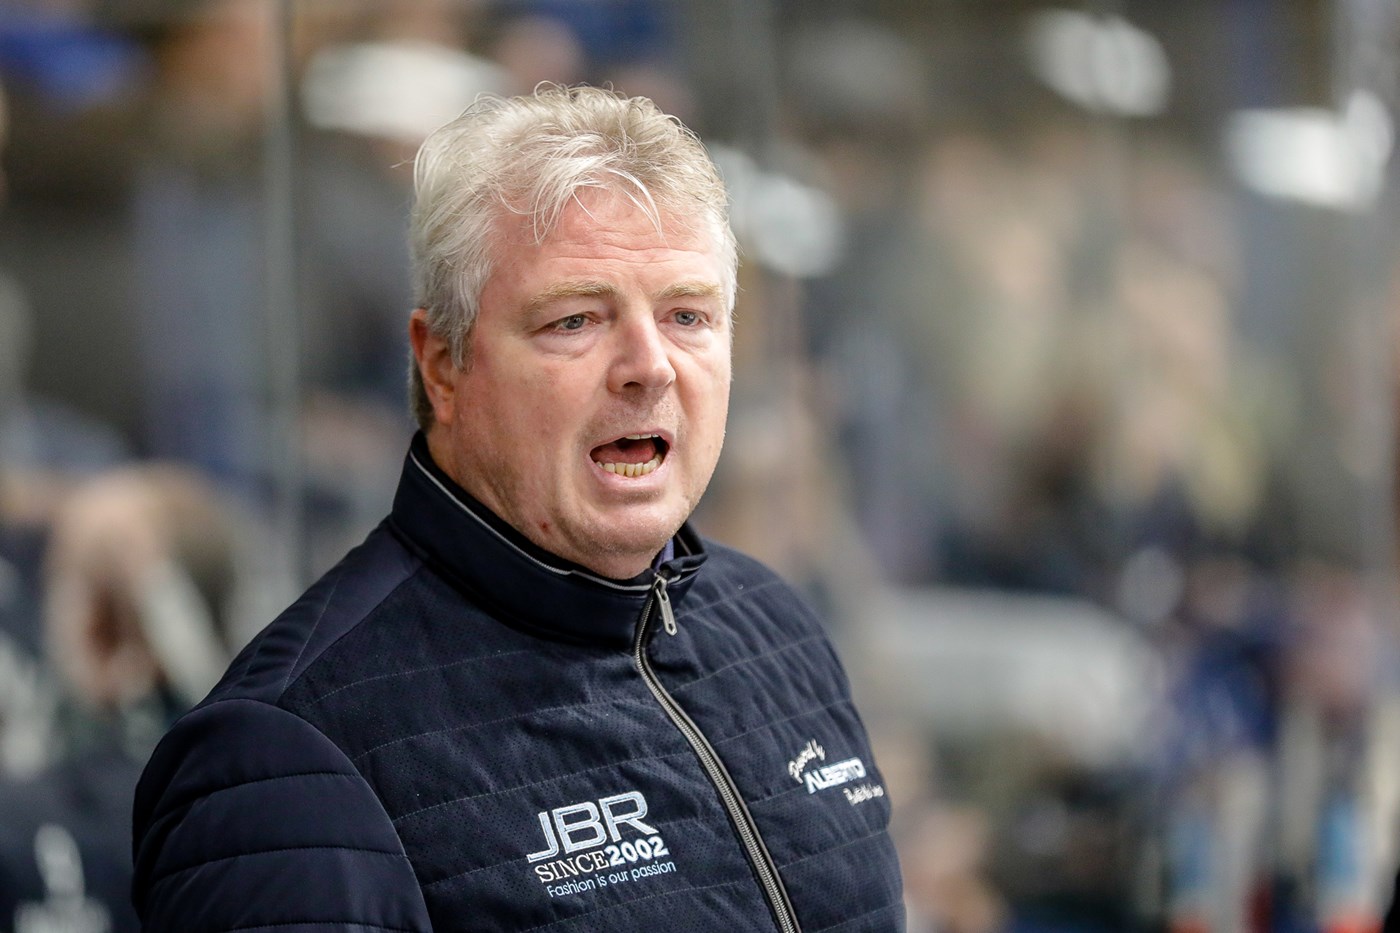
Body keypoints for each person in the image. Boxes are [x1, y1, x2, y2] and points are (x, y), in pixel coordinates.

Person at [130, 85, 905, 931]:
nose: (650, 365)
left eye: (688, 315)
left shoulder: (775, 625)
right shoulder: (285, 757)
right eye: (575, 320)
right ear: (442, 366)